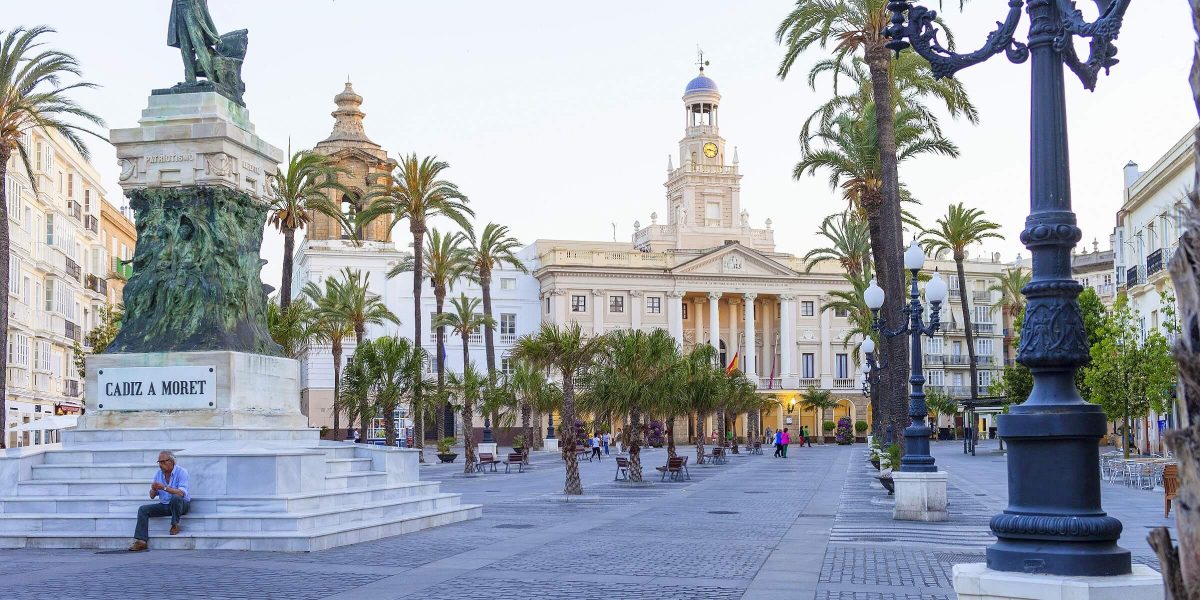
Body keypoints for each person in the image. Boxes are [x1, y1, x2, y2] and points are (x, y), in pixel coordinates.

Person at [129, 451, 191, 551]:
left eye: (163, 462)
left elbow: (181, 493)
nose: (160, 465)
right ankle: (141, 541)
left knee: (176, 497)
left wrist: (164, 488)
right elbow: (152, 496)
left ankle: (175, 524)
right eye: (159, 462)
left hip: (181, 505)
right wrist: (153, 489)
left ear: (171, 461)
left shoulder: (182, 472)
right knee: (143, 509)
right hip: (165, 505)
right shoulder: (158, 474)